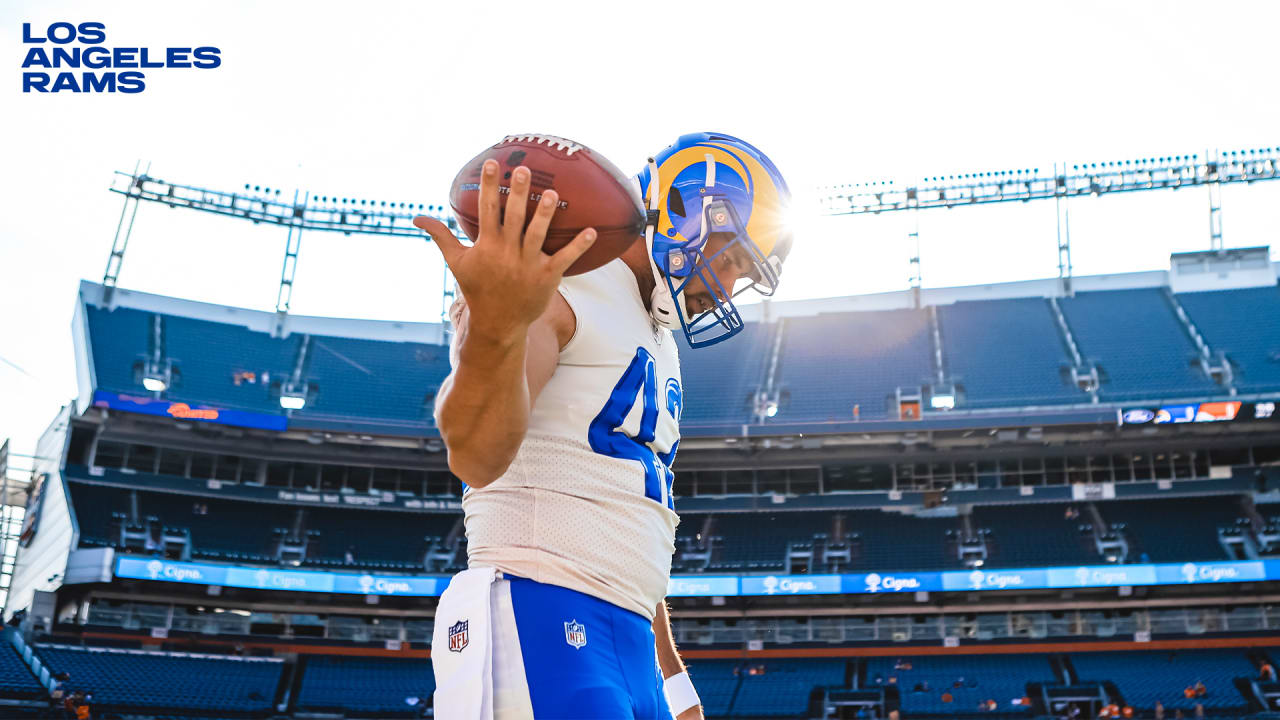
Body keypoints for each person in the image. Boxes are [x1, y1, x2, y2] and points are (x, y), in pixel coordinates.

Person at [421, 133, 794, 720]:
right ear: (687, 215)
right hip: (538, 602)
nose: (726, 286)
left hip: (627, 640)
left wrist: (675, 685)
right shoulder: (563, 280)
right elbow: (475, 454)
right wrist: (495, 324)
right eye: (732, 259)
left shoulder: (657, 336)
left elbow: (633, 520)